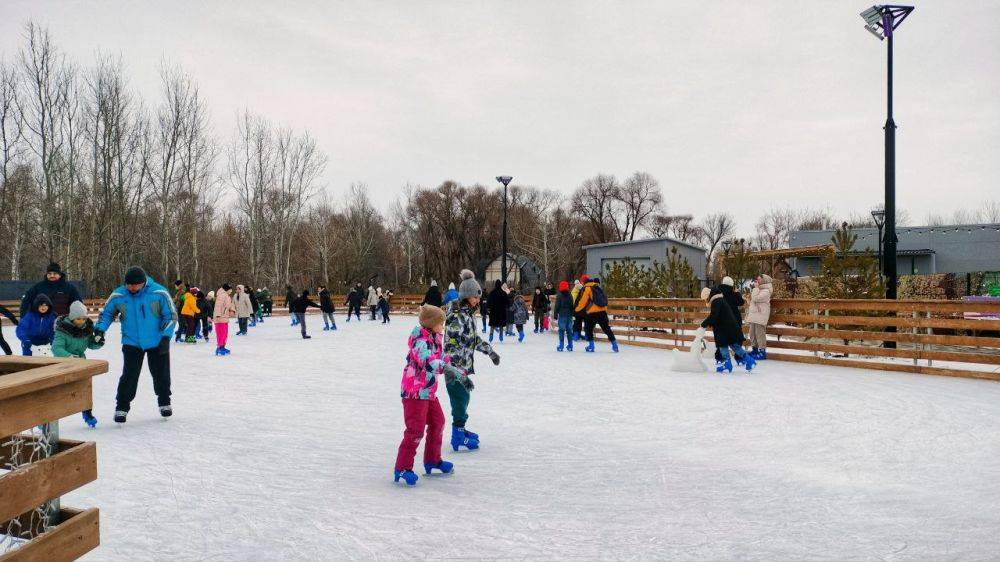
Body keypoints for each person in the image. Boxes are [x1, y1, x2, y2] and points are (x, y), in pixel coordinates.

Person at [94, 266, 176, 423]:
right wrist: (100, 330)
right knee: (129, 375)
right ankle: (122, 407)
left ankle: (164, 401)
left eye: (135, 285)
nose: (131, 288)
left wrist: (166, 337)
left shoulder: (159, 292)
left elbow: (170, 315)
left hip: (157, 341)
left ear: (143, 282)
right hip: (131, 341)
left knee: (161, 373)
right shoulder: (119, 294)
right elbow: (107, 314)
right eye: (128, 284)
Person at [393, 305, 464, 486]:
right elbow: (426, 361)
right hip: (414, 393)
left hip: (428, 391)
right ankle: (402, 468)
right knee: (415, 430)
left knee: (437, 422)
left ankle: (432, 460)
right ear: (431, 324)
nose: (443, 326)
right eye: (441, 323)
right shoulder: (419, 341)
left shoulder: (435, 338)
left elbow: (442, 358)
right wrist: (444, 366)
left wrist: (454, 365)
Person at [443, 270, 500, 452]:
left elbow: (472, 339)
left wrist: (489, 352)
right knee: (459, 399)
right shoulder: (457, 316)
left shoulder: (467, 314)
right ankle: (457, 437)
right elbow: (450, 348)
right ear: (467, 296)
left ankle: (460, 429)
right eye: (475, 297)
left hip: (463, 367)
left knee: (463, 398)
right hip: (455, 369)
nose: (478, 300)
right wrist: (458, 373)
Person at [52, 301, 104, 427]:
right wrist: (69, 357)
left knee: (85, 389)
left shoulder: (86, 329)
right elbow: (56, 348)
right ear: (72, 318)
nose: (81, 321)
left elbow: (91, 344)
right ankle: (49, 418)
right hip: (63, 364)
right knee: (62, 392)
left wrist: (98, 341)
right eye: (78, 319)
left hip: (81, 363)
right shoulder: (62, 330)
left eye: (84, 318)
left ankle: (87, 413)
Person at [700, 286, 755, 373]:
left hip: (725, 329)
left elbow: (714, 315)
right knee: (734, 346)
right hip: (728, 327)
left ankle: (728, 363)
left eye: (705, 299)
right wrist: (709, 322)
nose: (705, 301)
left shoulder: (716, 301)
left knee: (723, 345)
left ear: (708, 296)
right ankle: (749, 360)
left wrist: (703, 324)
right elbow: (717, 316)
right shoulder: (718, 300)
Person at [575, 276, 619, 353]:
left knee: (588, 329)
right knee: (606, 328)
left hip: (592, 312)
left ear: (584, 282)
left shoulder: (587, 288)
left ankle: (591, 346)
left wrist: (576, 309)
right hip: (602, 311)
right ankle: (614, 344)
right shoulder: (598, 287)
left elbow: (583, 301)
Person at [716, 276, 746, 364]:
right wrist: (737, 293)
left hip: (722, 319)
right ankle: (740, 358)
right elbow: (741, 302)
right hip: (734, 319)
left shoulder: (718, 293)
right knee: (737, 339)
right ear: (731, 284)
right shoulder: (733, 294)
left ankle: (720, 357)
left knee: (722, 339)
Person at [746, 274, 773, 360]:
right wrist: (748, 299)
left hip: (761, 315)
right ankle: (755, 350)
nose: (757, 281)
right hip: (754, 315)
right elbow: (753, 300)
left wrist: (756, 288)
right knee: (752, 333)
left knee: (760, 334)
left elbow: (756, 298)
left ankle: (762, 352)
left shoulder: (766, 291)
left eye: (759, 280)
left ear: (764, 280)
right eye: (757, 280)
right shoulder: (759, 289)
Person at [213, 284, 236, 356]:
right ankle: (219, 348)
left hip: (225, 317)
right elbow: (218, 305)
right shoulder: (222, 295)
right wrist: (218, 315)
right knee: (221, 333)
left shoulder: (227, 296)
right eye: (230, 289)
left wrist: (232, 310)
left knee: (224, 334)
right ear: (227, 289)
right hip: (220, 318)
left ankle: (222, 347)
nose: (231, 291)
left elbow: (230, 304)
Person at [553, 281, 575, 352]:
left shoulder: (559, 295)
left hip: (562, 315)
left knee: (561, 330)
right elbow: (572, 305)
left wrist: (555, 314)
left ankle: (561, 345)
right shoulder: (570, 295)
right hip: (569, 315)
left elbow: (557, 306)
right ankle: (570, 345)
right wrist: (573, 313)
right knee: (569, 330)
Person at [571, 276, 586, 341]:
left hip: (575, 308)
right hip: (577, 308)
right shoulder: (580, 288)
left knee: (576, 322)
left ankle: (576, 334)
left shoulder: (574, 290)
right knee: (577, 322)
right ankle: (576, 334)